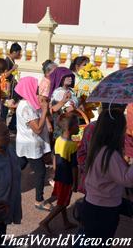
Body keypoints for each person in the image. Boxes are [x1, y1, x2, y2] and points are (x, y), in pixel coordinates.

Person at [76, 109, 133, 247]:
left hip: (95, 205)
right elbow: (127, 180)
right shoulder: (109, 154)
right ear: (116, 131)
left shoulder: (99, 148)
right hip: (103, 210)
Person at [15, 77, 52, 211]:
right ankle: (39, 200)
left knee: (20, 165)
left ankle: (1, 183)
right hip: (30, 144)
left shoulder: (30, 103)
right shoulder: (25, 107)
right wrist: (45, 112)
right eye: (35, 88)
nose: (38, 90)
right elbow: (37, 129)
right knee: (40, 171)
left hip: (27, 143)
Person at [40, 113, 79, 234]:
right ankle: (45, 222)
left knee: (61, 200)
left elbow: (55, 157)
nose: (78, 127)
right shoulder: (72, 146)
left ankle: (66, 222)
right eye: (77, 125)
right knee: (63, 203)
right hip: (67, 178)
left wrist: (54, 171)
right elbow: (74, 167)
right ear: (70, 128)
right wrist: (75, 182)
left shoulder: (58, 140)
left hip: (59, 175)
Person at [49, 67, 79, 140]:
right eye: (67, 77)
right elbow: (56, 110)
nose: (70, 78)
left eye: (71, 77)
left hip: (71, 125)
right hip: (63, 128)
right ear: (61, 78)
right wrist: (71, 109)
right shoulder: (58, 92)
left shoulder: (71, 91)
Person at [2, 42, 22, 132]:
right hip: (7, 88)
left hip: (12, 87)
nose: (19, 55)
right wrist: (13, 69)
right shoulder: (7, 61)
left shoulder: (12, 60)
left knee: (13, 106)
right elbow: (5, 75)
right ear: (14, 52)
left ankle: (10, 125)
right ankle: (3, 126)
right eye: (18, 53)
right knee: (5, 108)